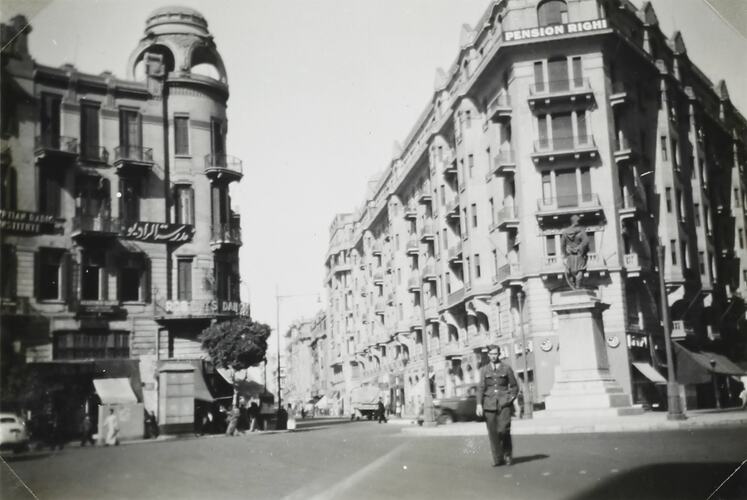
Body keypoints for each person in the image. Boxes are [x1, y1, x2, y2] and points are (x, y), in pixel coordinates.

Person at [476, 345, 519, 467]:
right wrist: (479, 404)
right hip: (489, 405)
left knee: (504, 430)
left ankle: (507, 454)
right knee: (493, 433)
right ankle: (497, 458)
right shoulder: (484, 370)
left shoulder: (506, 368)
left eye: (495, 353)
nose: (493, 356)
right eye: (491, 354)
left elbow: (514, 387)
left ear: (499, 354)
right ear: (488, 355)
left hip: (504, 404)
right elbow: (480, 388)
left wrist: (509, 399)